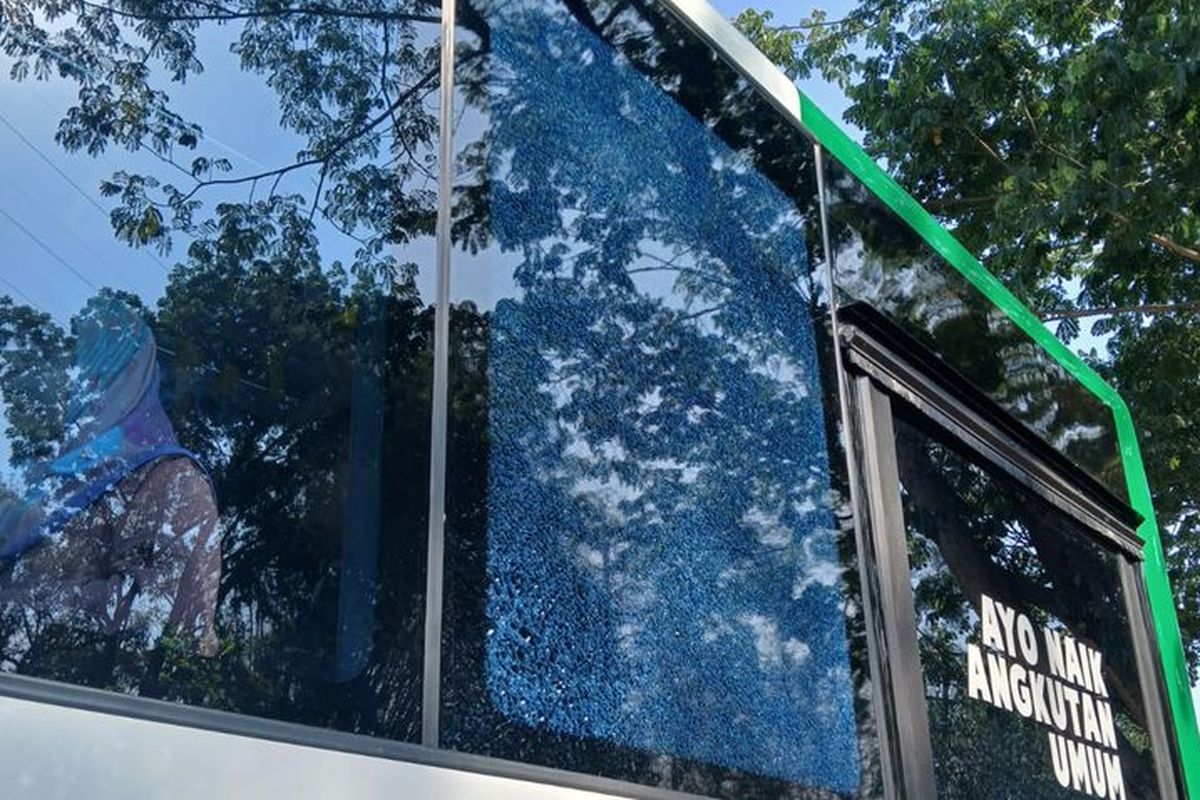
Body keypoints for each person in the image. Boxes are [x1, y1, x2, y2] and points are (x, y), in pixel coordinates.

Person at [0, 296, 220, 670]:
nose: (83, 386)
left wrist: (26, 593)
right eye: (80, 368)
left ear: (138, 375)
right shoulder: (51, 480)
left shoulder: (172, 480)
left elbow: (147, 630)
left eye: (104, 368)